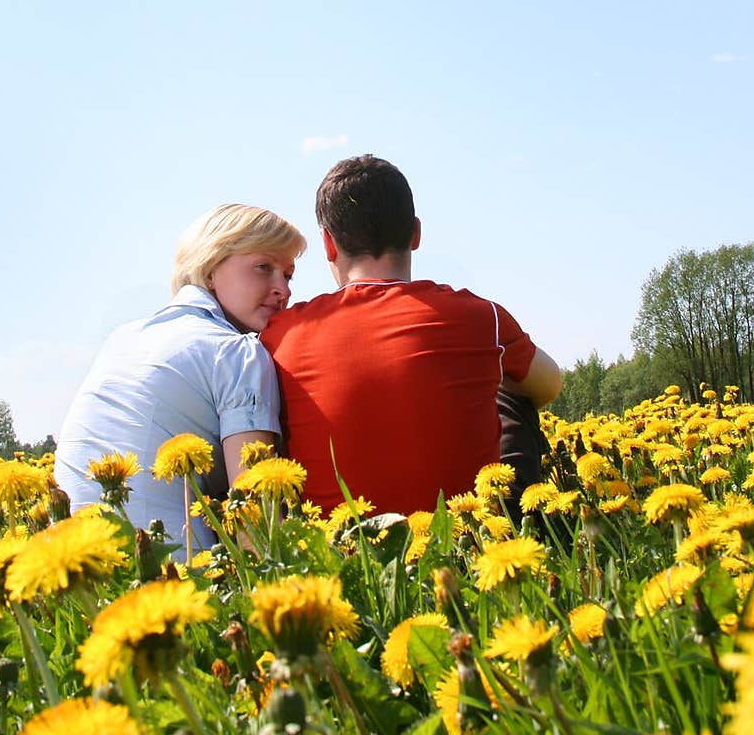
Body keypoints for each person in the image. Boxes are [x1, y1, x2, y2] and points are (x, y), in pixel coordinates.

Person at [261, 154, 561, 520]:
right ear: (416, 233)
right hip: (465, 545)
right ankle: (527, 526)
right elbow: (549, 384)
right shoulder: (483, 317)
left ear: (328, 244)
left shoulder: (281, 334)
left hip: (338, 560)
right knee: (511, 391)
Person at [53, 203, 306, 555]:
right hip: (172, 574)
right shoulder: (236, 352)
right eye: (264, 267)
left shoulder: (123, 338)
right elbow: (256, 516)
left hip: (69, 572)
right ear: (210, 270)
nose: (284, 289)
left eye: (288, 275)